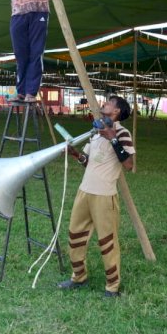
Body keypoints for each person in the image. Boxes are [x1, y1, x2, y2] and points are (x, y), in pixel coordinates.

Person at [60, 96, 135, 298]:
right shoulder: (95, 133)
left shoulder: (122, 133)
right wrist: (75, 154)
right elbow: (88, 161)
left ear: (117, 111)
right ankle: (78, 277)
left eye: (109, 102)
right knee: (75, 234)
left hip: (105, 196)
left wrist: (112, 137)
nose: (105, 104)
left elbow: (129, 165)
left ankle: (112, 286)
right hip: (84, 191)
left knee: (107, 242)